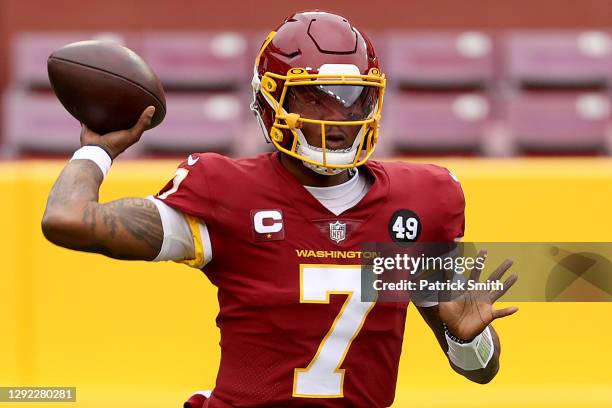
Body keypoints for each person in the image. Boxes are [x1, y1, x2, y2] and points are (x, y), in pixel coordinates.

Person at [42, 10, 518, 408]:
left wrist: (465, 339)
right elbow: (67, 221)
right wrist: (97, 150)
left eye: (355, 101)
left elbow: (480, 372)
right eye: (314, 99)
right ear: (269, 103)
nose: (337, 119)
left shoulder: (424, 200)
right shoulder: (225, 190)